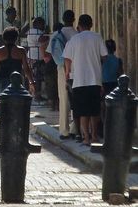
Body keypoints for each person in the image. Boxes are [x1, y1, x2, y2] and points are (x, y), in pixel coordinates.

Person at [62, 14, 108, 146]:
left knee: (82, 110)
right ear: (91, 25)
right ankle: (94, 136)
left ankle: (86, 137)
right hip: (95, 79)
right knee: (94, 110)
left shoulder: (74, 40)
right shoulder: (97, 37)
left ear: (79, 25)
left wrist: (67, 74)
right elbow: (105, 57)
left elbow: (67, 58)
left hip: (79, 80)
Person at [47, 9, 79, 139]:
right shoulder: (77, 35)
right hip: (77, 68)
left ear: (63, 19)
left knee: (64, 98)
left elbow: (49, 53)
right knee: (77, 99)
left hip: (61, 68)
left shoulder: (56, 35)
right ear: (73, 19)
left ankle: (64, 130)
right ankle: (75, 128)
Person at [0, 27, 35, 104]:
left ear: (4, 38)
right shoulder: (21, 51)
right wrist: (31, 82)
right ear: (16, 38)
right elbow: (26, 68)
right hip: (17, 81)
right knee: (17, 104)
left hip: (2, 80)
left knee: (2, 105)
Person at [26, 17, 46, 101]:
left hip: (31, 56)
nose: (43, 26)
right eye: (42, 24)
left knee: (32, 76)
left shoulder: (30, 31)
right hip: (36, 57)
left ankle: (32, 93)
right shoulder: (36, 32)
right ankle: (37, 95)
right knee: (38, 77)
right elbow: (41, 40)